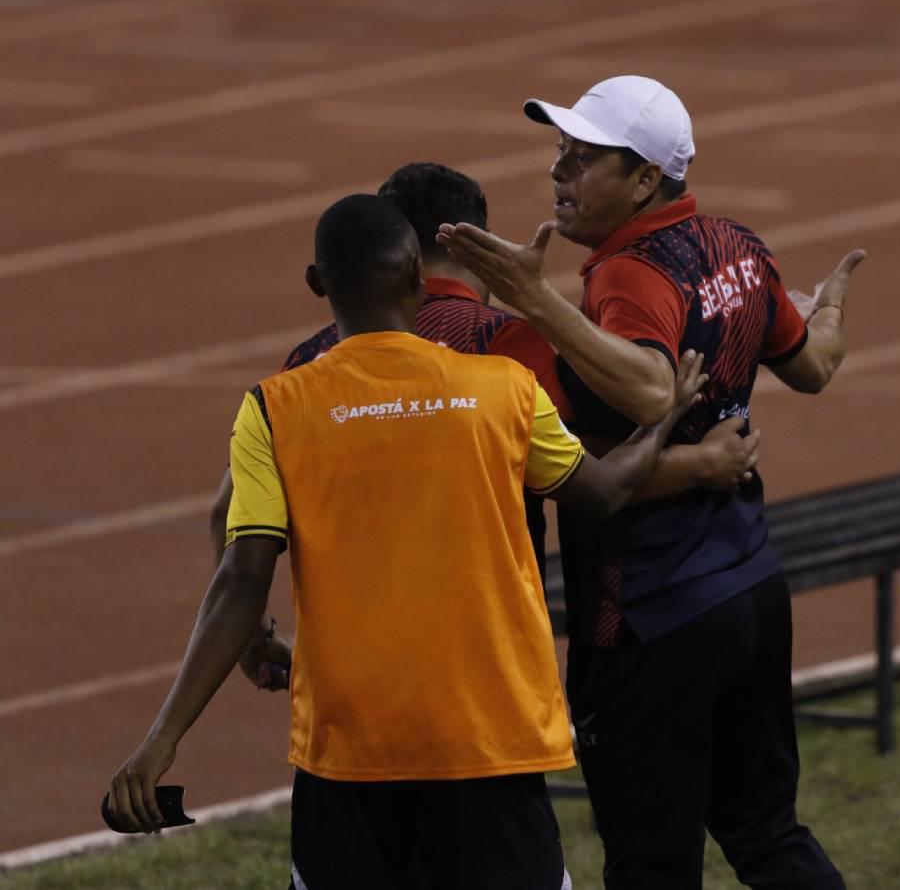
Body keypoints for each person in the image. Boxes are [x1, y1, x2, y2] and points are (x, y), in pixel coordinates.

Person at [106, 194, 709, 890]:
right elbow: (602, 494)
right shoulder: (504, 389)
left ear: (316, 284)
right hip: (492, 740)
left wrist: (162, 741)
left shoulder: (275, 407)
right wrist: (658, 426)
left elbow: (241, 580)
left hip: (352, 753)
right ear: (419, 274)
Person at [439, 75, 863, 890]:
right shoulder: (735, 244)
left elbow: (648, 389)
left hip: (650, 610)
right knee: (768, 832)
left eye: (585, 158)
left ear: (643, 181)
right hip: (750, 585)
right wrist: (833, 314)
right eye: (560, 152)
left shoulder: (626, 275)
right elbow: (809, 367)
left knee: (649, 862)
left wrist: (534, 298)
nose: (560, 173)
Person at [210, 162, 760, 690]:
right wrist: (700, 461)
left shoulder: (301, 370)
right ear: (473, 243)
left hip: (350, 678)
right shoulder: (509, 349)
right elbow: (599, 479)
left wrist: (254, 637)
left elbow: (227, 514)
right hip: (488, 671)